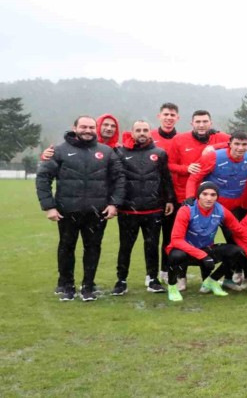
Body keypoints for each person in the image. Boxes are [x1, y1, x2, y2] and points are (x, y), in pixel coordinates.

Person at [36, 115, 125, 301]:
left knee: (93, 248)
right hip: (67, 211)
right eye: (83, 127)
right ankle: (67, 286)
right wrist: (49, 206)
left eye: (91, 127)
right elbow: (43, 178)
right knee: (66, 248)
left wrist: (114, 203)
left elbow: (119, 179)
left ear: (95, 129)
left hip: (97, 212)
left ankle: (88, 286)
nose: (87, 130)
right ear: (75, 128)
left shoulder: (106, 152)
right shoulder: (59, 151)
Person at [165, 182, 247, 302]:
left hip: (206, 249)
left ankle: (212, 281)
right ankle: (172, 286)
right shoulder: (186, 210)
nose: (209, 198)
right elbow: (176, 240)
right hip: (187, 251)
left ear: (217, 197)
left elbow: (240, 231)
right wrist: (202, 255)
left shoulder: (221, 210)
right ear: (198, 195)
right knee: (175, 255)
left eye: (213, 195)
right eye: (205, 194)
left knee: (237, 252)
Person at [186, 131, 247, 290]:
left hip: (233, 210)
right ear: (229, 144)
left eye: (244, 144)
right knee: (202, 243)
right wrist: (190, 197)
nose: (240, 148)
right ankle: (197, 279)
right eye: (236, 144)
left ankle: (228, 279)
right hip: (210, 207)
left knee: (235, 245)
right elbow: (194, 178)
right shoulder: (213, 156)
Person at [168, 110, 230, 290]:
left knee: (206, 236)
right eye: (198, 122)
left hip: (211, 198)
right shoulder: (179, 140)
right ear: (191, 123)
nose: (201, 125)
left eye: (205, 121)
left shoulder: (219, 137)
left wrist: (215, 147)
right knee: (183, 238)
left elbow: (240, 142)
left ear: (210, 123)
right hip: (186, 198)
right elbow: (170, 164)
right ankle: (181, 276)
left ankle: (209, 277)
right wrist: (186, 168)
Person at [112, 121, 175, 295]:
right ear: (132, 133)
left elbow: (166, 178)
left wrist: (169, 199)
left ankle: (152, 279)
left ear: (150, 132)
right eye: (138, 130)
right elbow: (115, 179)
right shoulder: (120, 152)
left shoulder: (159, 153)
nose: (142, 133)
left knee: (152, 246)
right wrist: (115, 202)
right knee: (125, 247)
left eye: (145, 130)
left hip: (153, 209)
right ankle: (121, 280)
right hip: (128, 210)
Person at [150, 102, 181, 284]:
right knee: (152, 239)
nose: (169, 118)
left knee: (170, 237)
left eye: (172, 115)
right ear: (159, 116)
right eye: (166, 114)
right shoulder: (149, 136)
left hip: (173, 196)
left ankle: (166, 270)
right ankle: (151, 274)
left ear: (177, 118)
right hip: (151, 196)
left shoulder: (181, 139)